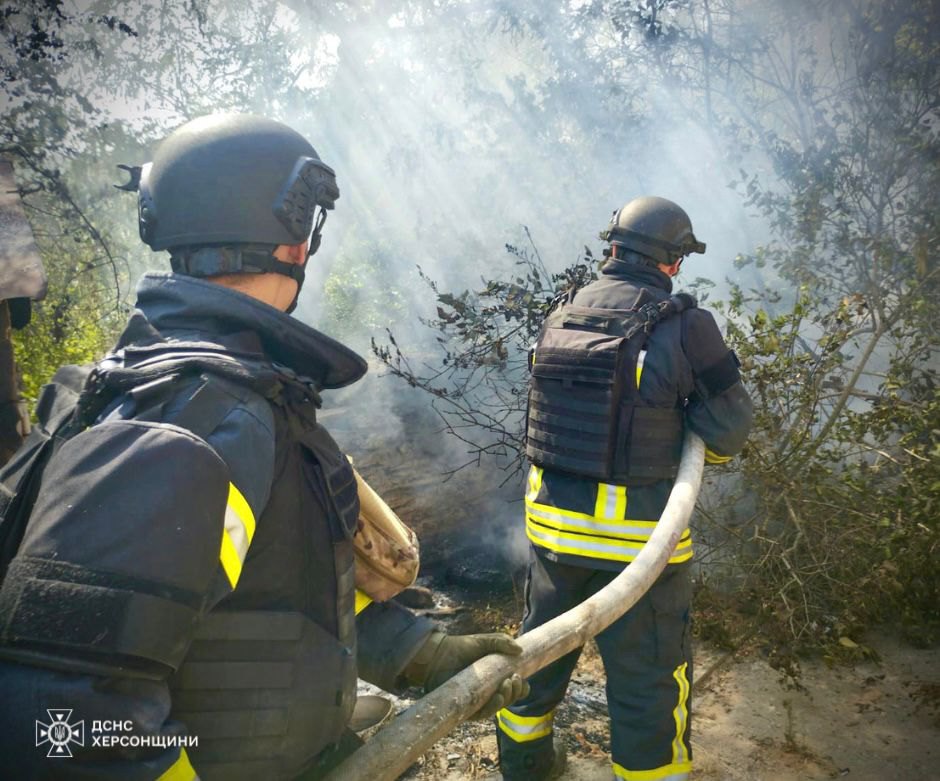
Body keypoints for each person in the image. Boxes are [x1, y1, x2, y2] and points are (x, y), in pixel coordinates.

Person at [0, 114, 526, 780]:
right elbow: (65, 725)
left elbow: (278, 587)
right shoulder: (201, 421)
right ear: (297, 243)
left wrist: (419, 653)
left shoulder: (207, 393)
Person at [496, 196, 753, 780]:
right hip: (641, 552)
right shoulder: (687, 324)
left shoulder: (560, 311)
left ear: (611, 248)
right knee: (648, 689)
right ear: (675, 261)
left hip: (553, 540)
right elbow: (731, 431)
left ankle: (526, 767)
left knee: (534, 664)